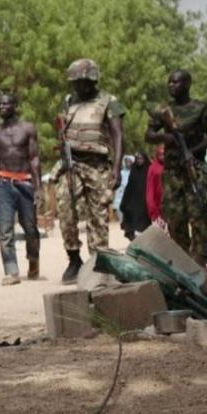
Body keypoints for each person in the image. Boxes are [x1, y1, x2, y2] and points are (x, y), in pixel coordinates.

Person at [56, 59, 126, 284]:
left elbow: (118, 135)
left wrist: (117, 168)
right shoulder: (68, 101)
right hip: (71, 164)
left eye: (81, 82)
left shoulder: (109, 101)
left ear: (92, 80)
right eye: (74, 82)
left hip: (97, 165)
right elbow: (61, 129)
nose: (77, 86)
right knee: (65, 211)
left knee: (98, 217)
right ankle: (74, 259)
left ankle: (98, 262)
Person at [145, 69, 207, 267]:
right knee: (175, 218)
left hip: (194, 168)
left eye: (176, 82)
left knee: (198, 215)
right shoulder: (164, 110)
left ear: (187, 84)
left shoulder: (202, 108)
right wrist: (165, 137)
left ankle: (200, 261)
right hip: (172, 172)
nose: (171, 85)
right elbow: (149, 135)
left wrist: (193, 151)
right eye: (169, 82)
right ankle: (183, 262)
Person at [0, 93, 41, 285]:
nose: (2, 107)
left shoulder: (28, 129)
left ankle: (33, 260)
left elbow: (34, 159)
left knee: (30, 229)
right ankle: (11, 271)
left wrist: (38, 188)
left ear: (15, 106)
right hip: (4, 184)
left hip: (25, 183)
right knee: (4, 230)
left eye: (6, 104)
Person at [119, 152, 151, 241]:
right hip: (133, 203)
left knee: (144, 227)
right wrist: (124, 202)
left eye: (141, 159)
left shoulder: (149, 170)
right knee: (132, 226)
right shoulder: (134, 170)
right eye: (137, 159)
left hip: (145, 203)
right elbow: (129, 186)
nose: (139, 161)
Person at [146, 144, 167, 231]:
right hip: (158, 209)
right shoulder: (153, 168)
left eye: (164, 154)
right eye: (160, 154)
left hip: (171, 208)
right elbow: (150, 191)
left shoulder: (171, 167)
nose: (163, 157)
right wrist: (154, 213)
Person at [113, 155, 133, 223]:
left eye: (130, 161)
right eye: (126, 161)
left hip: (131, 201)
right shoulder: (120, 173)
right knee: (122, 221)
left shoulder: (134, 173)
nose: (128, 163)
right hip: (120, 199)